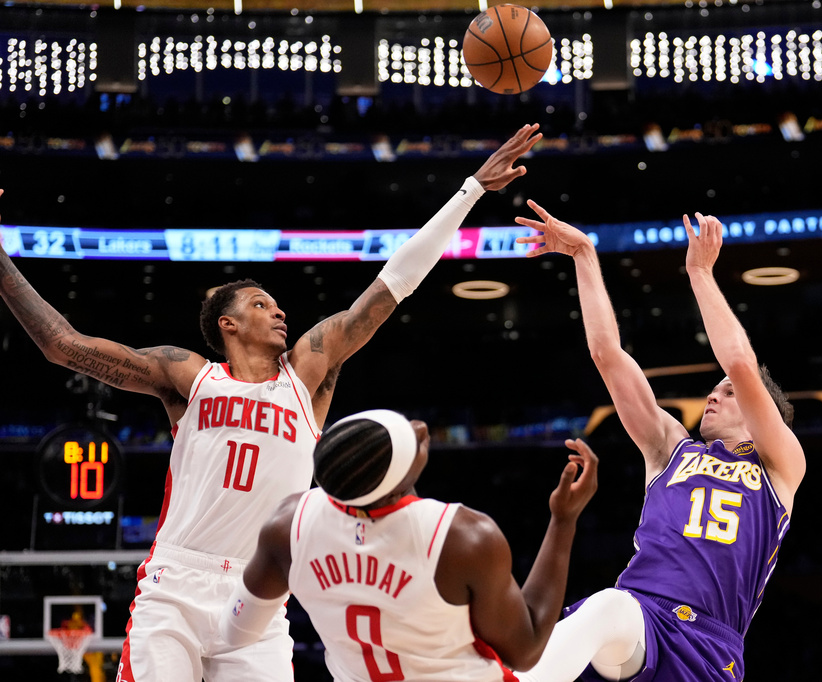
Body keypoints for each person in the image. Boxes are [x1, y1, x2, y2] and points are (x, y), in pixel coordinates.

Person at [0, 123, 541, 682]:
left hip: (259, 595)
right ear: (228, 323)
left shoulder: (308, 372)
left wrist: (471, 189)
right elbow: (63, 346)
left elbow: (393, 282)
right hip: (176, 585)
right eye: (263, 304)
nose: (280, 312)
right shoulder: (189, 376)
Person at [511, 202, 806, 682]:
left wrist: (699, 272)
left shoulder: (780, 466)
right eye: (714, 389)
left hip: (708, 646)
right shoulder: (671, 448)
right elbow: (607, 355)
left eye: (727, 393)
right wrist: (585, 254)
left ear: (761, 416)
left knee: (607, 612)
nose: (715, 394)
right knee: (606, 609)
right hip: (639, 621)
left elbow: (739, 362)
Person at [220, 408, 598, 681]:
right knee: (608, 608)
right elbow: (526, 651)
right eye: (413, 440)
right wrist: (564, 520)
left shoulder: (288, 522)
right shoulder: (463, 535)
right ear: (398, 482)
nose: (420, 428)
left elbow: (238, 632)